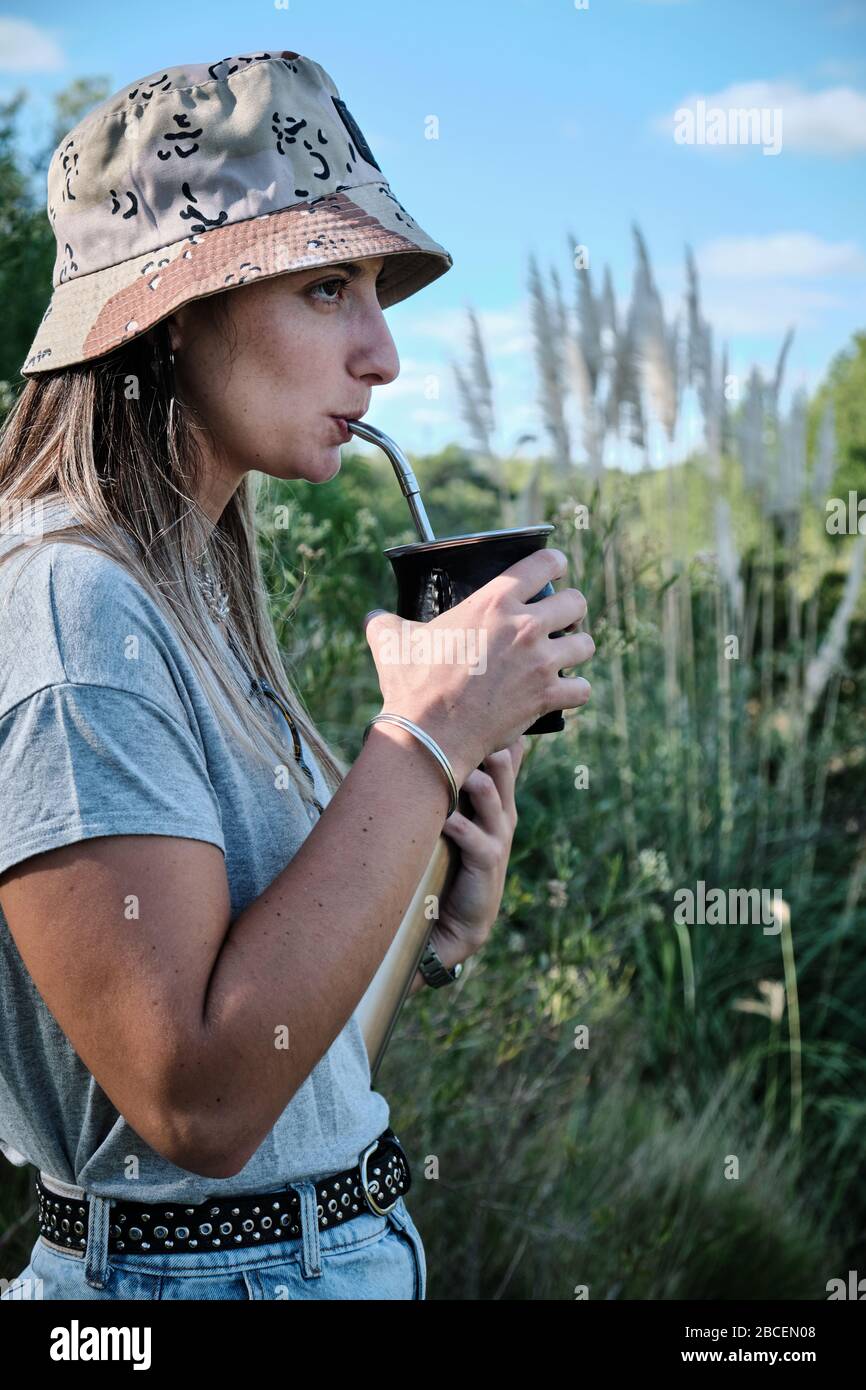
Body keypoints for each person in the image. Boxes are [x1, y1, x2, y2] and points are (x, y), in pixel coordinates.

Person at [0, 50, 594, 1302]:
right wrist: (418, 743)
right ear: (172, 311)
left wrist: (438, 917)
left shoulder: (194, 598)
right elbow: (198, 1105)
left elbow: (291, 1075)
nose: (381, 354)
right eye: (329, 288)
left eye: (374, 290)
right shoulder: (69, 606)